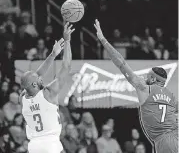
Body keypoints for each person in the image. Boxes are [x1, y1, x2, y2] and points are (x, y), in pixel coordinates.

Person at [94, 19, 178, 153]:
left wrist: (103, 39)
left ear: (152, 79)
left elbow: (121, 63)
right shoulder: (171, 97)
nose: (144, 77)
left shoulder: (144, 88)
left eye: (147, 75)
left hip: (165, 141)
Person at [19, 22, 75, 153]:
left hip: (33, 146)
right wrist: (67, 41)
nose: (41, 77)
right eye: (38, 79)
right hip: (51, 144)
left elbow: (34, 77)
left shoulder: (23, 97)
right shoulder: (48, 93)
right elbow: (66, 66)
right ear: (34, 84)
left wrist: (53, 54)